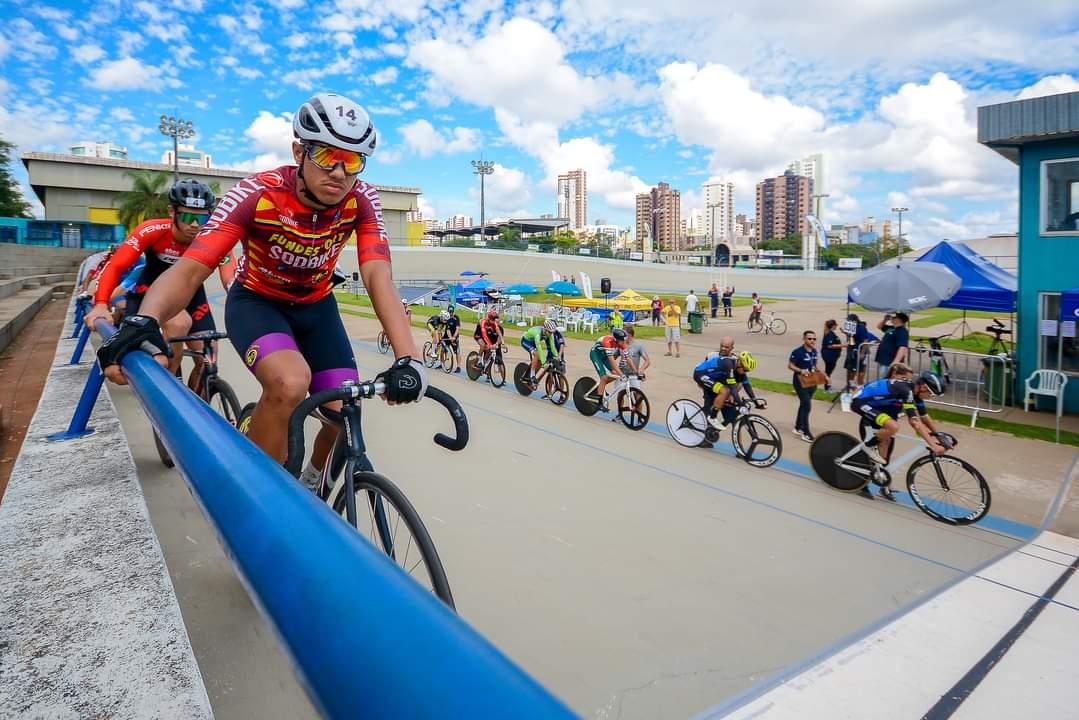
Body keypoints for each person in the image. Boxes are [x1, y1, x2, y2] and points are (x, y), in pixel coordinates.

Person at [96, 93, 424, 492]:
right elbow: (192, 268)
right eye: (326, 156)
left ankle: (311, 484)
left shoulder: (362, 199)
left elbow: (377, 276)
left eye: (352, 161)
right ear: (298, 151)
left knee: (343, 409)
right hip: (258, 303)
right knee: (290, 383)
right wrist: (145, 319)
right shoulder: (258, 193)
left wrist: (409, 358)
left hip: (316, 307)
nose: (339, 172)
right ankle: (261, 495)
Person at [86, 180, 235, 386]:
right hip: (150, 292)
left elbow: (231, 278)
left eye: (201, 218)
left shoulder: (214, 238)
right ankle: (169, 387)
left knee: (209, 356)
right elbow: (116, 266)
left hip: (192, 296)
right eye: (187, 216)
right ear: (172, 212)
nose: (194, 225)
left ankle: (197, 407)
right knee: (178, 325)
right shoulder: (152, 230)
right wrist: (101, 304)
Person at [851, 365, 947, 500]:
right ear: (924, 388)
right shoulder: (906, 391)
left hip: (881, 412)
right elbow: (915, 422)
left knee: (884, 453)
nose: (930, 398)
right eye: (931, 395)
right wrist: (933, 445)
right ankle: (862, 481)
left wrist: (939, 435)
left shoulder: (915, 394)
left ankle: (883, 485)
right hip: (861, 404)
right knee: (893, 427)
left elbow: (924, 417)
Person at [693, 349, 761, 431]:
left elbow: (747, 386)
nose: (745, 372)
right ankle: (712, 416)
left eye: (747, 370)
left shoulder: (739, 368)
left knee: (730, 392)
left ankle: (715, 410)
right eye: (745, 369)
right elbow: (732, 388)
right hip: (700, 373)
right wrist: (740, 404)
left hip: (715, 378)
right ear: (739, 362)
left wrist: (756, 403)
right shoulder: (728, 365)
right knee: (724, 391)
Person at [788, 330, 820, 442]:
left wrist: (824, 376)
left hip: (811, 381)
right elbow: (790, 365)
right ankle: (806, 432)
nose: (812, 341)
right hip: (800, 381)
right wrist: (800, 370)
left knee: (804, 404)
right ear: (804, 339)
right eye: (809, 338)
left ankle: (798, 427)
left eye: (814, 339)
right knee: (807, 406)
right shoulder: (797, 352)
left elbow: (815, 365)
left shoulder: (815, 352)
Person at [588, 328, 629, 412]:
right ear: (616, 340)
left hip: (604, 355)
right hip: (596, 355)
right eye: (622, 341)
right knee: (604, 377)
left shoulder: (621, 343)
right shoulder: (607, 342)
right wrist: (622, 374)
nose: (624, 343)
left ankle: (601, 387)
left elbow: (628, 358)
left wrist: (635, 371)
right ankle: (599, 404)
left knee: (615, 374)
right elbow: (612, 361)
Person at [842, 313, 877, 387]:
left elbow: (865, 340)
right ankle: (850, 385)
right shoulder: (852, 327)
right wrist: (846, 333)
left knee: (860, 369)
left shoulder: (861, 327)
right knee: (850, 368)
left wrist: (862, 353)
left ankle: (859, 385)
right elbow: (851, 338)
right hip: (852, 350)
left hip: (860, 351)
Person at [521, 319, 559, 385]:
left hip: (534, 343)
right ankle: (532, 376)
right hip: (526, 341)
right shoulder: (537, 333)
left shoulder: (550, 334)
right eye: (549, 332)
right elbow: (539, 349)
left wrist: (557, 357)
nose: (550, 334)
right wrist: (544, 363)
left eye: (552, 332)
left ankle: (533, 372)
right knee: (537, 355)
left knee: (540, 360)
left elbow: (553, 347)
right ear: (545, 329)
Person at [874, 311, 910, 378]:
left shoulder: (902, 331)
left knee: (887, 381)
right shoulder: (891, 328)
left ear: (899, 320)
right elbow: (879, 326)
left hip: (889, 361)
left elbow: (902, 347)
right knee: (883, 379)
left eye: (894, 317)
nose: (892, 318)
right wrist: (885, 320)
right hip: (883, 360)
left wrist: (895, 362)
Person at [821, 319, 843, 392]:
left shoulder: (831, 333)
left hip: (832, 355)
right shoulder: (830, 334)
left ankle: (827, 385)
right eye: (835, 325)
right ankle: (827, 387)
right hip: (829, 355)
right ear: (833, 326)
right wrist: (843, 345)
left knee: (829, 371)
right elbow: (830, 345)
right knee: (828, 371)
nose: (836, 326)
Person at [443, 306, 462, 373]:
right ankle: (443, 362)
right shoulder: (447, 317)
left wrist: (454, 337)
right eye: (449, 312)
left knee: (457, 351)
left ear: (453, 311)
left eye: (452, 312)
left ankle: (458, 366)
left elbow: (457, 329)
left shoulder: (456, 318)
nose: (451, 313)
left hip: (454, 336)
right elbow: (447, 330)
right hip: (447, 335)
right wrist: (450, 337)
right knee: (443, 347)